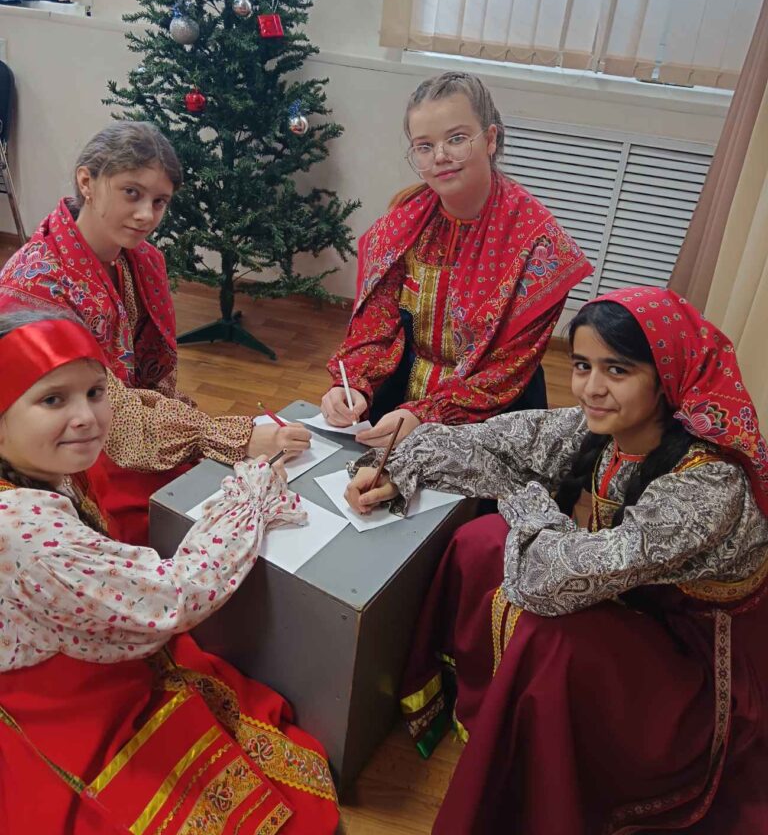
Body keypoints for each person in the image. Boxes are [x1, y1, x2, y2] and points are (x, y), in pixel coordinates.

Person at [346, 286, 768, 833]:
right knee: (481, 544)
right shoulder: (603, 429)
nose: (591, 388)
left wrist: (522, 498)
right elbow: (487, 441)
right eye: (583, 365)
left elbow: (550, 580)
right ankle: (488, 710)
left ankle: (540, 780)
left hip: (696, 655)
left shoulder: (708, 486)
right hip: (628, 594)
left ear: (668, 377)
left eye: (617, 370)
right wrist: (395, 469)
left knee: (548, 633)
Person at [0, 308, 338, 834]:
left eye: (95, 392)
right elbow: (175, 595)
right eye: (52, 400)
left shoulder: (35, 470)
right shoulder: (29, 536)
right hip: (63, 703)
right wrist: (248, 503)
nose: (87, 416)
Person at [0, 121, 310, 543]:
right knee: (194, 510)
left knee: (227, 490)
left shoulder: (141, 260)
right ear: (87, 182)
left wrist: (213, 436)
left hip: (122, 424)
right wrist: (232, 437)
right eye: (132, 192)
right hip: (66, 450)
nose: (146, 215)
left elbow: (151, 385)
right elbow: (102, 407)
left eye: (159, 201)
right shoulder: (35, 283)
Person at [322, 71, 592, 449]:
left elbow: (505, 371)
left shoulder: (538, 245)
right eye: (424, 145)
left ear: (491, 139)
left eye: (457, 139)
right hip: (404, 394)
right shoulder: (403, 225)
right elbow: (376, 327)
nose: (441, 156)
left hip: (492, 415)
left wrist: (427, 414)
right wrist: (351, 383)